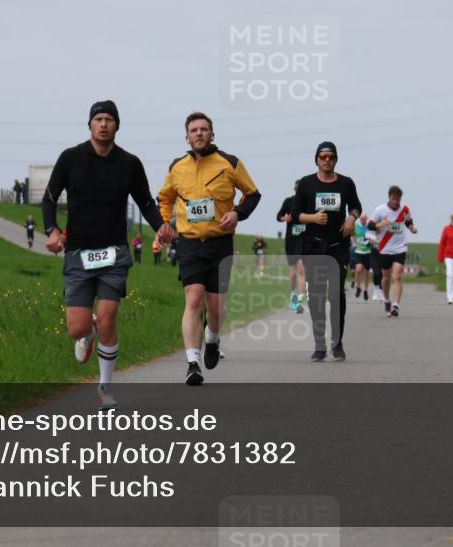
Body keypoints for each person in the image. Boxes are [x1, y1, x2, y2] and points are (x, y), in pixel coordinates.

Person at [43, 100, 171, 411]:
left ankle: (104, 389)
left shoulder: (129, 163)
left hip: (114, 253)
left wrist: (161, 227)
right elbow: (49, 197)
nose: (103, 124)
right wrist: (52, 230)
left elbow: (145, 202)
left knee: (110, 318)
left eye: (109, 120)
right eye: (98, 119)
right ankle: (87, 332)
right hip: (77, 254)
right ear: (89, 125)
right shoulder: (71, 158)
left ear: (117, 125)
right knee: (77, 327)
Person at [156, 111, 261, 385]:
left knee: (215, 308)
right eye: (194, 130)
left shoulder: (229, 163)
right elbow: (165, 198)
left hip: (220, 243)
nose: (199, 133)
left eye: (204, 129)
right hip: (189, 243)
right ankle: (192, 362)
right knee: (193, 299)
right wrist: (164, 224)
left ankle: (212, 339)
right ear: (187, 137)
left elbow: (253, 194)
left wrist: (237, 213)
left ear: (212, 134)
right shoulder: (176, 167)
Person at [292, 141, 361, 361]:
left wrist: (352, 218)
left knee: (336, 293)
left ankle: (337, 342)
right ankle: (320, 343)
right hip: (314, 246)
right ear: (317, 159)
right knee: (317, 295)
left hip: (337, 246)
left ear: (336, 159)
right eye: (323, 156)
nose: (327, 160)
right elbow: (295, 214)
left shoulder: (346, 183)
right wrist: (313, 218)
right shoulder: (306, 183)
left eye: (331, 156)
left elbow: (356, 206)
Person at [368, 185, 417, 318]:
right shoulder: (380, 210)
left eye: (398, 199)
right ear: (389, 197)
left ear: (400, 198)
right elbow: (370, 225)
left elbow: (408, 221)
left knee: (398, 276)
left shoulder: (404, 209)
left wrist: (412, 228)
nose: (395, 202)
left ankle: (396, 305)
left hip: (400, 247)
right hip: (384, 248)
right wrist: (379, 225)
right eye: (393, 199)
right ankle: (387, 300)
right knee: (386, 277)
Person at [276, 181, 307, 314]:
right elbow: (278, 216)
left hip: (304, 240)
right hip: (291, 240)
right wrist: (285, 218)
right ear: (295, 189)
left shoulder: (309, 204)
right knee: (293, 273)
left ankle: (300, 301)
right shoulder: (288, 201)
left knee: (301, 269)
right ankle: (293, 295)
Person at [352, 213, 372, 301]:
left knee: (367, 272)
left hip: (367, 251)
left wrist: (372, 241)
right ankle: (358, 287)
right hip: (358, 251)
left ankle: (365, 290)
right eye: (361, 219)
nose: (363, 220)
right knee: (359, 269)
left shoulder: (369, 226)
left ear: (366, 219)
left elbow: (374, 236)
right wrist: (353, 243)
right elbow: (352, 235)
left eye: (364, 219)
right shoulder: (356, 226)